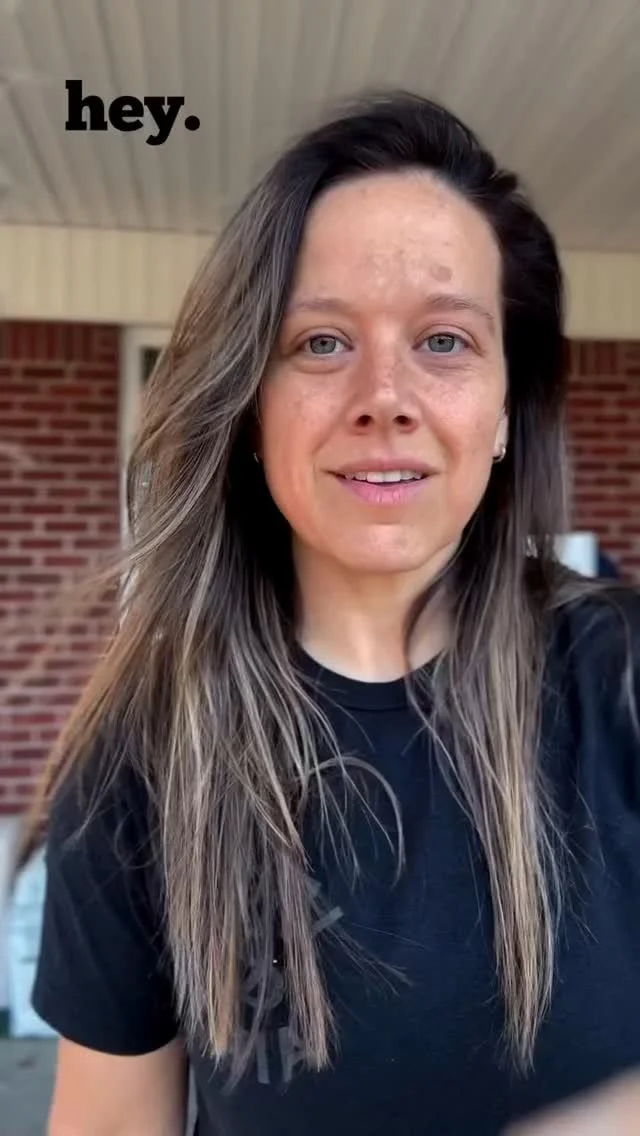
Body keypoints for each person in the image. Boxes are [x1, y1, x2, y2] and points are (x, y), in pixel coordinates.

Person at [18, 92, 640, 1135]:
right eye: (318, 342)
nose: (383, 395)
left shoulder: (622, 675)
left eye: (444, 339)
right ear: (250, 409)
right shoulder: (145, 748)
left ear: (504, 411)